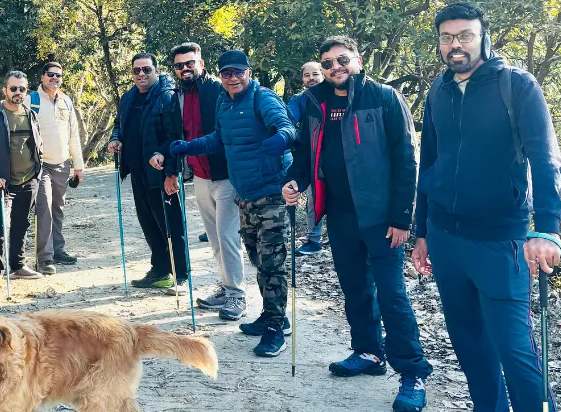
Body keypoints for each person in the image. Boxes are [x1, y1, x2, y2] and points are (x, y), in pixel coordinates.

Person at [412, 3, 561, 412]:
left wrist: (547, 228)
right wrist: (421, 230)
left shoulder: (516, 86)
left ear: (484, 37)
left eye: (465, 35)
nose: (455, 44)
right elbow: (430, 163)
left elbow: (546, 158)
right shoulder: (438, 91)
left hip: (501, 241)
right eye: (446, 37)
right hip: (445, 239)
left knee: (514, 349)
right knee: (469, 344)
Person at [282, 36, 432, 412]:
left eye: (342, 60)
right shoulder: (315, 104)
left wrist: (402, 219)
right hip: (340, 216)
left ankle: (412, 374)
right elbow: (304, 154)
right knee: (355, 289)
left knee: (392, 296)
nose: (336, 67)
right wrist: (294, 181)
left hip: (383, 219)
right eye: (328, 63)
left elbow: (405, 160)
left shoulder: (383, 98)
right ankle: (368, 352)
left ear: (358, 60)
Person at [170, 50, 295, 357]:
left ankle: (276, 328)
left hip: (271, 194)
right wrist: (189, 146)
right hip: (245, 195)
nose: (233, 78)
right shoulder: (225, 102)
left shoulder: (262, 98)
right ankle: (271, 313)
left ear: (248, 72)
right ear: (220, 76)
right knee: (257, 259)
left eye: (238, 71)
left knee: (272, 264)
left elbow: (286, 125)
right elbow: (218, 138)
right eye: (226, 73)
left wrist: (282, 137)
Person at [169, 42, 247, 321]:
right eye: (179, 65)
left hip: (225, 174)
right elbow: (176, 131)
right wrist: (170, 165)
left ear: (201, 64)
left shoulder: (218, 89)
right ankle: (226, 288)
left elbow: (225, 131)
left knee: (227, 236)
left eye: (190, 63)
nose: (185, 68)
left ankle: (237, 294)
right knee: (214, 238)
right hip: (199, 175)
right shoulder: (176, 95)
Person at [107, 53, 186, 293]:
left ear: (156, 70)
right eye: (136, 70)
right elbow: (119, 124)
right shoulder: (129, 97)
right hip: (137, 171)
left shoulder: (168, 96)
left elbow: (175, 135)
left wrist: (170, 168)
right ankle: (160, 270)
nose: (141, 74)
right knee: (148, 223)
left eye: (146, 70)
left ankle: (181, 274)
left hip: (161, 173)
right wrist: (115, 139)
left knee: (170, 225)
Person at [0, 71, 44, 282]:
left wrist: (37, 172)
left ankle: (17, 266)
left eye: (22, 89)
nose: (18, 92)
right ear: (5, 90)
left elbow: (37, 145)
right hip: (1, 182)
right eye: (13, 88)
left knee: (21, 223)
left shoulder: (30, 115)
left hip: (29, 179)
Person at [28, 61, 84, 275]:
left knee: (58, 209)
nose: (55, 78)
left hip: (62, 164)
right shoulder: (30, 100)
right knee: (44, 209)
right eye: (51, 74)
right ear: (42, 76)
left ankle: (58, 250)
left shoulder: (67, 102)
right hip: (40, 166)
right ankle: (44, 258)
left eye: (58, 75)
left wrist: (78, 165)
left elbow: (73, 135)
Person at [286, 61, 325, 256]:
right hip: (310, 157)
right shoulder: (299, 99)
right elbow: (288, 119)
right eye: (307, 75)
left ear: (323, 74)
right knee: (313, 198)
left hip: (337, 157)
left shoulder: (335, 95)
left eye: (315, 74)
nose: (311, 78)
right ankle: (314, 240)